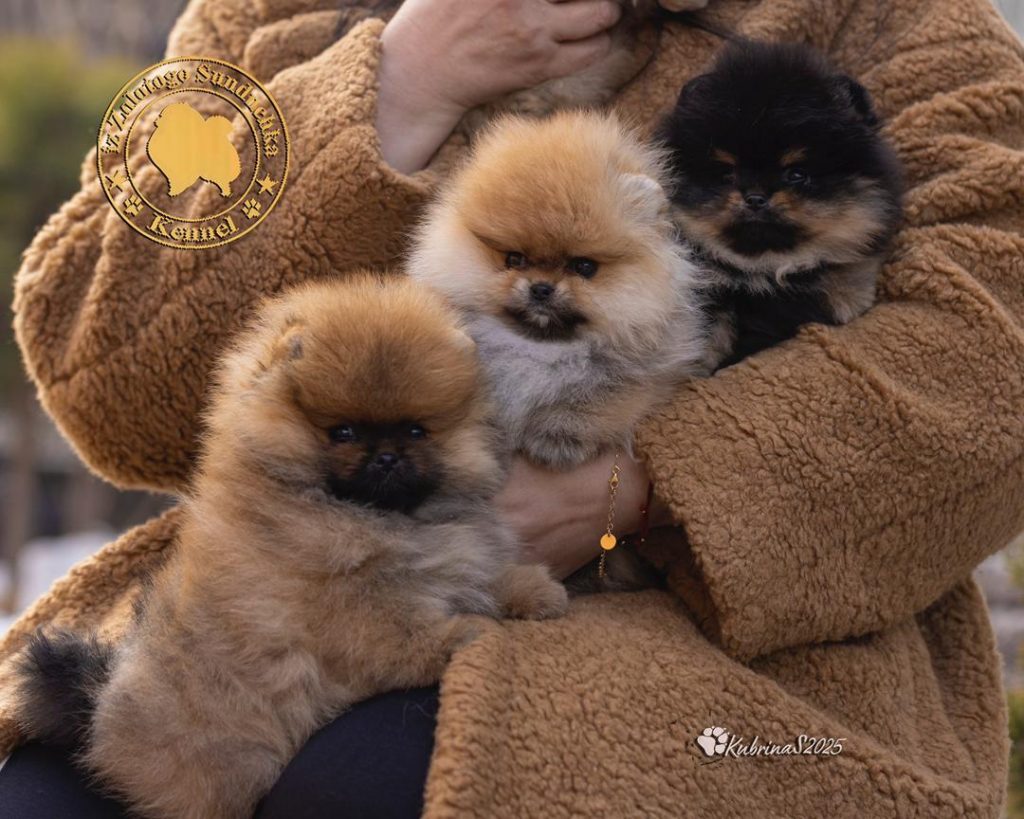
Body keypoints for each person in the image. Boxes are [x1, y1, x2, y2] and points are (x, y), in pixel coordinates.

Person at [1, 0, 1022, 816]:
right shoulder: (272, 16)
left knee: (364, 780)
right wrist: (403, 81)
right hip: (286, 589)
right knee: (44, 791)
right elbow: (104, 372)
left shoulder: (885, 19)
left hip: (745, 662)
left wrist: (639, 485)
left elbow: (995, 350)